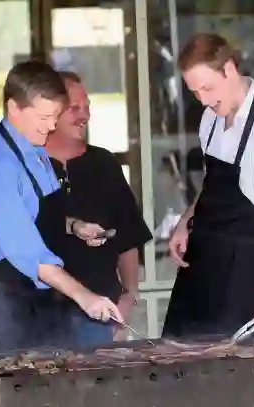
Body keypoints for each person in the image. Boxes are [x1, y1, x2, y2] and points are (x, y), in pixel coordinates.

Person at [0, 60, 123, 353]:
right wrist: (85, 297)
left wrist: (75, 227)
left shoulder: (35, 150)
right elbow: (30, 253)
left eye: (55, 116)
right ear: (14, 108)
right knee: (6, 394)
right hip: (4, 299)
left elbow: (39, 216)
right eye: (45, 117)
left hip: (43, 295)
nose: (52, 126)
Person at [162, 34, 254, 338]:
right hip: (199, 265)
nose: (202, 99)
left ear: (229, 69)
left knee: (230, 377)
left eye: (207, 88)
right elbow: (213, 187)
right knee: (177, 369)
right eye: (194, 92)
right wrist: (186, 221)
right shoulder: (209, 119)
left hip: (243, 275)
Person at [45, 71, 153, 346]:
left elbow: (127, 236)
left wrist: (129, 295)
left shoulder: (104, 164)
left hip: (97, 312)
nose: (85, 116)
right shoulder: (29, 167)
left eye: (87, 107)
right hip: (37, 311)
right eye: (74, 108)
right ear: (50, 112)